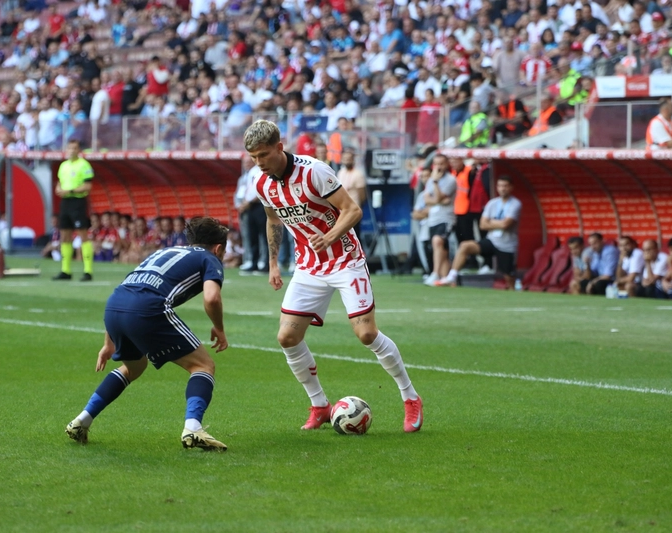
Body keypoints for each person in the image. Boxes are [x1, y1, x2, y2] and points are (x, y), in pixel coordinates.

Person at [243, 119, 423, 433]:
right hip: (309, 266)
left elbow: (352, 210)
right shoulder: (260, 182)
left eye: (264, 155)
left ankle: (410, 398)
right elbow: (273, 220)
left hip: (345, 260)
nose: (259, 163)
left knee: (367, 334)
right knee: (287, 337)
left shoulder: (314, 171)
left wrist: (330, 236)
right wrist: (273, 263)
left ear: (280, 147)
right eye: (254, 157)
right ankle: (319, 405)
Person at [65, 217, 231, 451]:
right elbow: (212, 297)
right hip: (147, 309)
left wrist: (108, 342)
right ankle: (193, 428)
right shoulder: (209, 258)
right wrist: (220, 329)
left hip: (114, 306)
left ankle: (82, 420)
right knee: (203, 366)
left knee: (134, 367)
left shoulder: (166, 251)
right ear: (219, 248)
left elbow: (129, 287)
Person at [435, 176, 522, 288]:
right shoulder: (492, 203)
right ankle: (452, 277)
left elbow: (506, 224)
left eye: (505, 186)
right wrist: (498, 223)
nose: (502, 189)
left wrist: (491, 222)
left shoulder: (515, 203)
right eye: (500, 186)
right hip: (492, 240)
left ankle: (513, 292)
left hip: (507, 245)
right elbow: (482, 224)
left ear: (511, 187)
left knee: (509, 278)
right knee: (465, 246)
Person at [53, 139, 95, 281]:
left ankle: (88, 271)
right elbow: (59, 183)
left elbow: (88, 186)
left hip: (78, 201)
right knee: (65, 235)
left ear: (79, 150)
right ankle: (66, 270)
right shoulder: (63, 166)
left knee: (83, 233)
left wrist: (70, 190)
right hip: (65, 202)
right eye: (70, 148)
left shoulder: (84, 165)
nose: (72, 150)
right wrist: (58, 189)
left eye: (75, 148)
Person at [422, 153, 457, 286]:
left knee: (437, 241)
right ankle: (446, 280)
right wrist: (438, 199)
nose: (438, 167)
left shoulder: (450, 180)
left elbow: (437, 198)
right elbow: (427, 199)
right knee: (442, 250)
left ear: (447, 164)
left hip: (446, 218)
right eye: (436, 164)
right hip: (433, 218)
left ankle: (434, 273)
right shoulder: (431, 179)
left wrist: (436, 184)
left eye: (441, 164)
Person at [335, 149, 367, 237]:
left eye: (349, 159)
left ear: (353, 160)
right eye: (345, 159)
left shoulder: (358, 174)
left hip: (353, 209)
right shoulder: (340, 173)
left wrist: (358, 208)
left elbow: (362, 195)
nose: (347, 161)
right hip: (342, 210)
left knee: (355, 235)